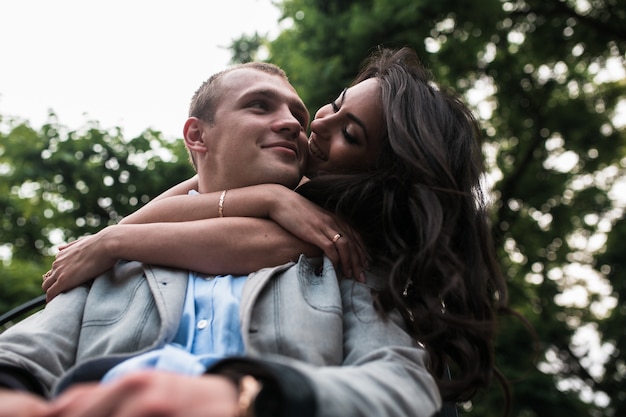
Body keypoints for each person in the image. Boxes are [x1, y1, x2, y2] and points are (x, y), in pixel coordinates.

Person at [45, 47, 511, 409]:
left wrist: (116, 241)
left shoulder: (344, 237)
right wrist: (264, 196)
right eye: (333, 105)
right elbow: (191, 198)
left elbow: (236, 243)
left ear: (377, 177)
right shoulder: (298, 179)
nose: (313, 123)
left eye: (351, 135)